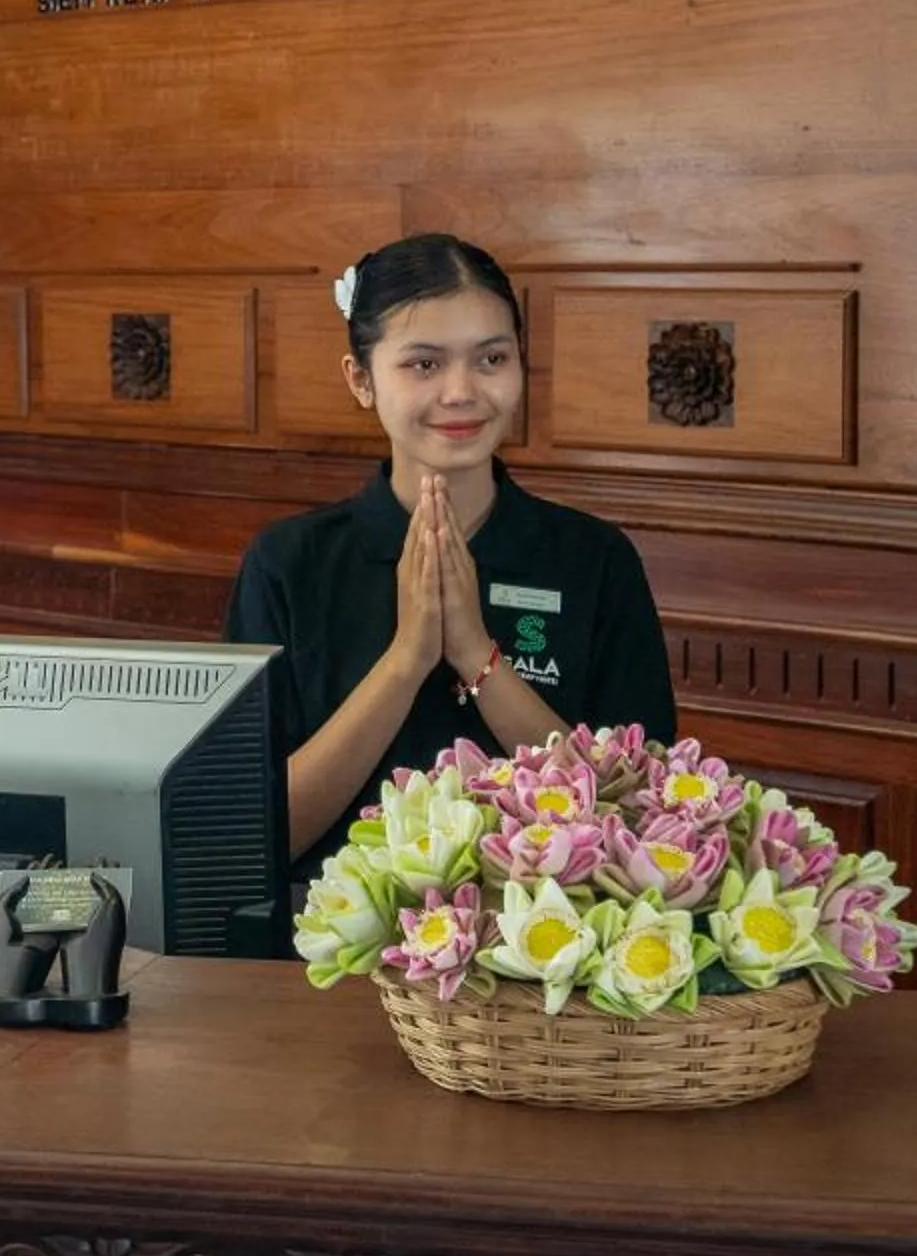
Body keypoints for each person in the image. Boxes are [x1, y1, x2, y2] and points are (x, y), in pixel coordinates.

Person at [226, 233, 678, 877]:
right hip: (328, 955)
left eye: (491, 358)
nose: (462, 391)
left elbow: (640, 820)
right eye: (424, 364)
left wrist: (476, 655)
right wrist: (407, 660)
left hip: (544, 951)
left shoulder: (595, 559)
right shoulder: (287, 564)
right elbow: (254, 837)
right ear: (361, 379)